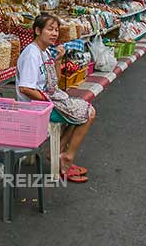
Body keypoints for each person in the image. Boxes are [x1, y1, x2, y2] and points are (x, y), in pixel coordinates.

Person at [16, 14, 96, 183]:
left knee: (80, 110)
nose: (54, 33)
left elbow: (54, 82)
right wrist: (49, 102)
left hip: (44, 101)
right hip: (35, 107)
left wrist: (58, 60)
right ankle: (67, 156)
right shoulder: (32, 54)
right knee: (89, 113)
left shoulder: (43, 51)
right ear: (37, 31)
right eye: (50, 29)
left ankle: (58, 149)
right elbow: (25, 87)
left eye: (56, 30)